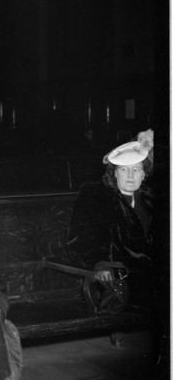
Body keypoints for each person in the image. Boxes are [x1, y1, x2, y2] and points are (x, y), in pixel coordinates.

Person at [66, 129, 155, 311]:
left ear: (144, 174)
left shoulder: (150, 198)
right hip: (122, 275)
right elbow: (83, 238)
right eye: (124, 169)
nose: (130, 175)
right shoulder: (96, 194)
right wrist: (100, 263)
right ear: (115, 173)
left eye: (136, 169)